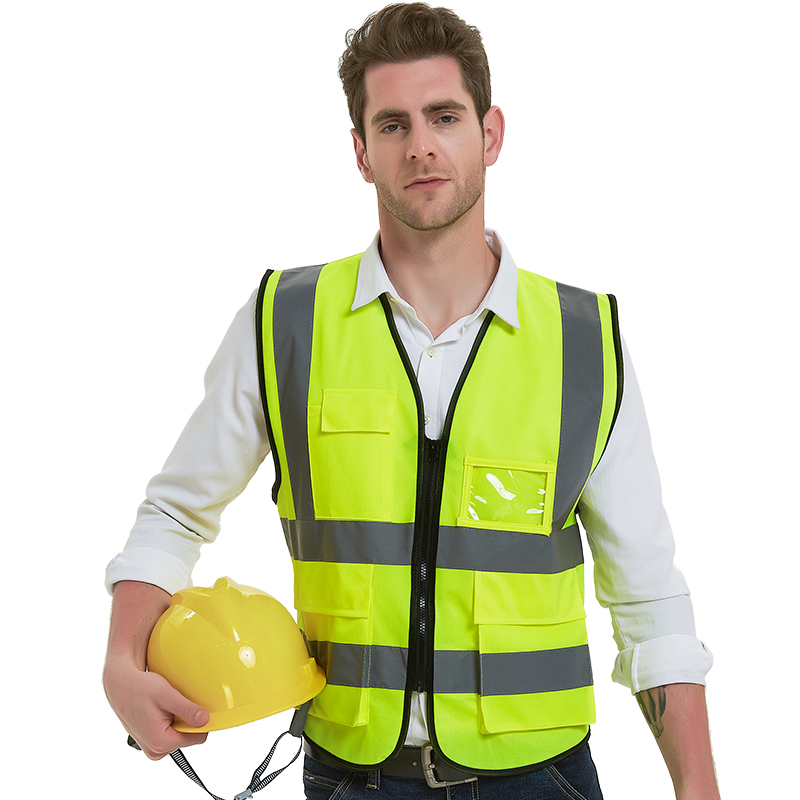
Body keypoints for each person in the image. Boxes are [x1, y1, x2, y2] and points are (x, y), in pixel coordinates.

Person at [103, 4, 719, 798]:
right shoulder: (285, 322)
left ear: (490, 134)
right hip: (351, 779)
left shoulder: (584, 340)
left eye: (444, 117)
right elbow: (174, 515)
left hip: (541, 782)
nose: (421, 145)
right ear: (361, 153)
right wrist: (121, 662)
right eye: (392, 125)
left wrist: (699, 790)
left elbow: (648, 594)